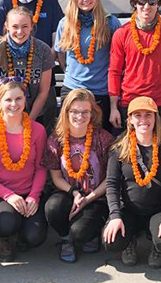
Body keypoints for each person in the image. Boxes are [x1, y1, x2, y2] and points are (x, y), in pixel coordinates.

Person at [103, 97, 161, 269]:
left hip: (156, 211)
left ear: (155, 118)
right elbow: (112, 185)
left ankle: (156, 246)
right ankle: (129, 241)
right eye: (137, 115)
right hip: (128, 210)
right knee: (112, 242)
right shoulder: (119, 148)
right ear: (129, 119)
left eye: (148, 115)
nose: (143, 120)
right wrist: (115, 215)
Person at [0, 81, 48, 261]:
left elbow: (41, 168)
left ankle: (21, 234)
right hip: (2, 195)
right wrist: (9, 195)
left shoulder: (37, 130)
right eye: (8, 99)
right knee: (5, 223)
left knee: (35, 237)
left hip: (29, 193)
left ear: (25, 100)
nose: (14, 104)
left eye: (19, 98)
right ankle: (1, 237)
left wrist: (34, 196)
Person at [43, 89, 115, 263]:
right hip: (68, 192)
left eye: (85, 112)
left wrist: (89, 198)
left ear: (92, 113)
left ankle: (88, 233)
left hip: (96, 195)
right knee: (52, 208)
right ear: (66, 112)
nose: (79, 116)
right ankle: (65, 238)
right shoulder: (56, 140)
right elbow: (56, 178)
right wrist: (75, 193)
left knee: (81, 233)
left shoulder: (104, 139)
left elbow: (110, 178)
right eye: (74, 111)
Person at [108, 0, 161, 138]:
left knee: (160, 154)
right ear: (135, 3)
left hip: (160, 105)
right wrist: (113, 107)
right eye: (141, 1)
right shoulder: (122, 33)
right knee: (127, 155)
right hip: (129, 103)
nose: (146, 6)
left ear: (159, 4)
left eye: (152, 2)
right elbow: (114, 72)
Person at [54, 0, 121, 133]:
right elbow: (61, 56)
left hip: (101, 92)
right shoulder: (65, 23)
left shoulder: (111, 23)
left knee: (100, 141)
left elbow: (117, 59)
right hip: (72, 89)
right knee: (71, 139)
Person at [0, 6, 56, 129]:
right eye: (15, 26)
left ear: (31, 27)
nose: (19, 32)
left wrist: (29, 121)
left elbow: (43, 91)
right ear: (7, 26)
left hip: (35, 116)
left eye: (25, 26)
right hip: (3, 117)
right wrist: (4, 118)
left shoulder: (43, 50)